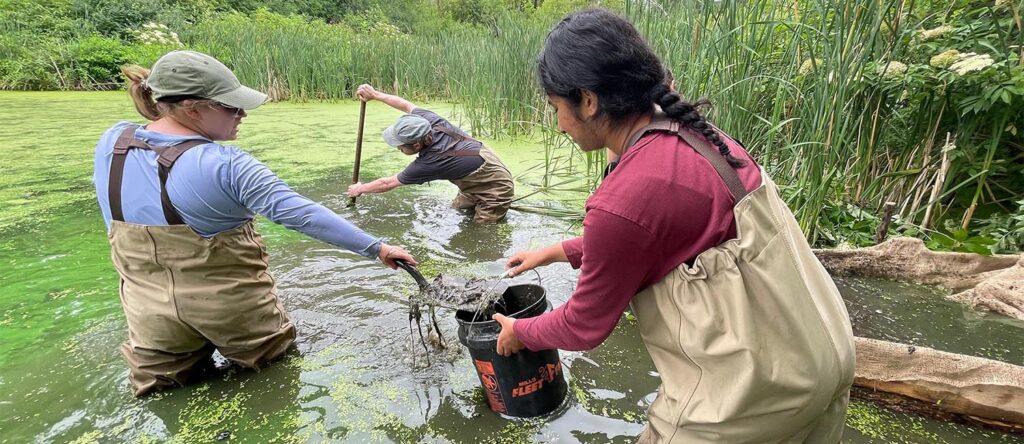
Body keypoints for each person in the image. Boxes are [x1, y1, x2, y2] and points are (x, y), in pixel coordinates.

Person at [492, 9, 855, 443]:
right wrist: (556, 252)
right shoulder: (693, 133)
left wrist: (521, 332)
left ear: (589, 101)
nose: (559, 125)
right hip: (826, 356)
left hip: (754, 394)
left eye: (557, 108)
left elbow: (583, 325)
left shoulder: (623, 199)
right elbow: (654, 233)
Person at [93, 50, 416, 396]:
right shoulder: (226, 163)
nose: (242, 113)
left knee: (164, 395)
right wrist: (377, 248)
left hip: (149, 313)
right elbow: (301, 214)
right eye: (231, 106)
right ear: (192, 108)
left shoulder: (114, 141)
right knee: (272, 382)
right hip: (232, 309)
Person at [346, 84, 515, 223]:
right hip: (474, 180)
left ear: (417, 144)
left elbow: (387, 183)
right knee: (458, 212)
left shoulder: (431, 162)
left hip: (495, 188)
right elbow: (405, 105)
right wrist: (375, 95)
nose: (398, 149)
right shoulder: (428, 122)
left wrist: (360, 189)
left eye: (401, 146)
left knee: (482, 233)